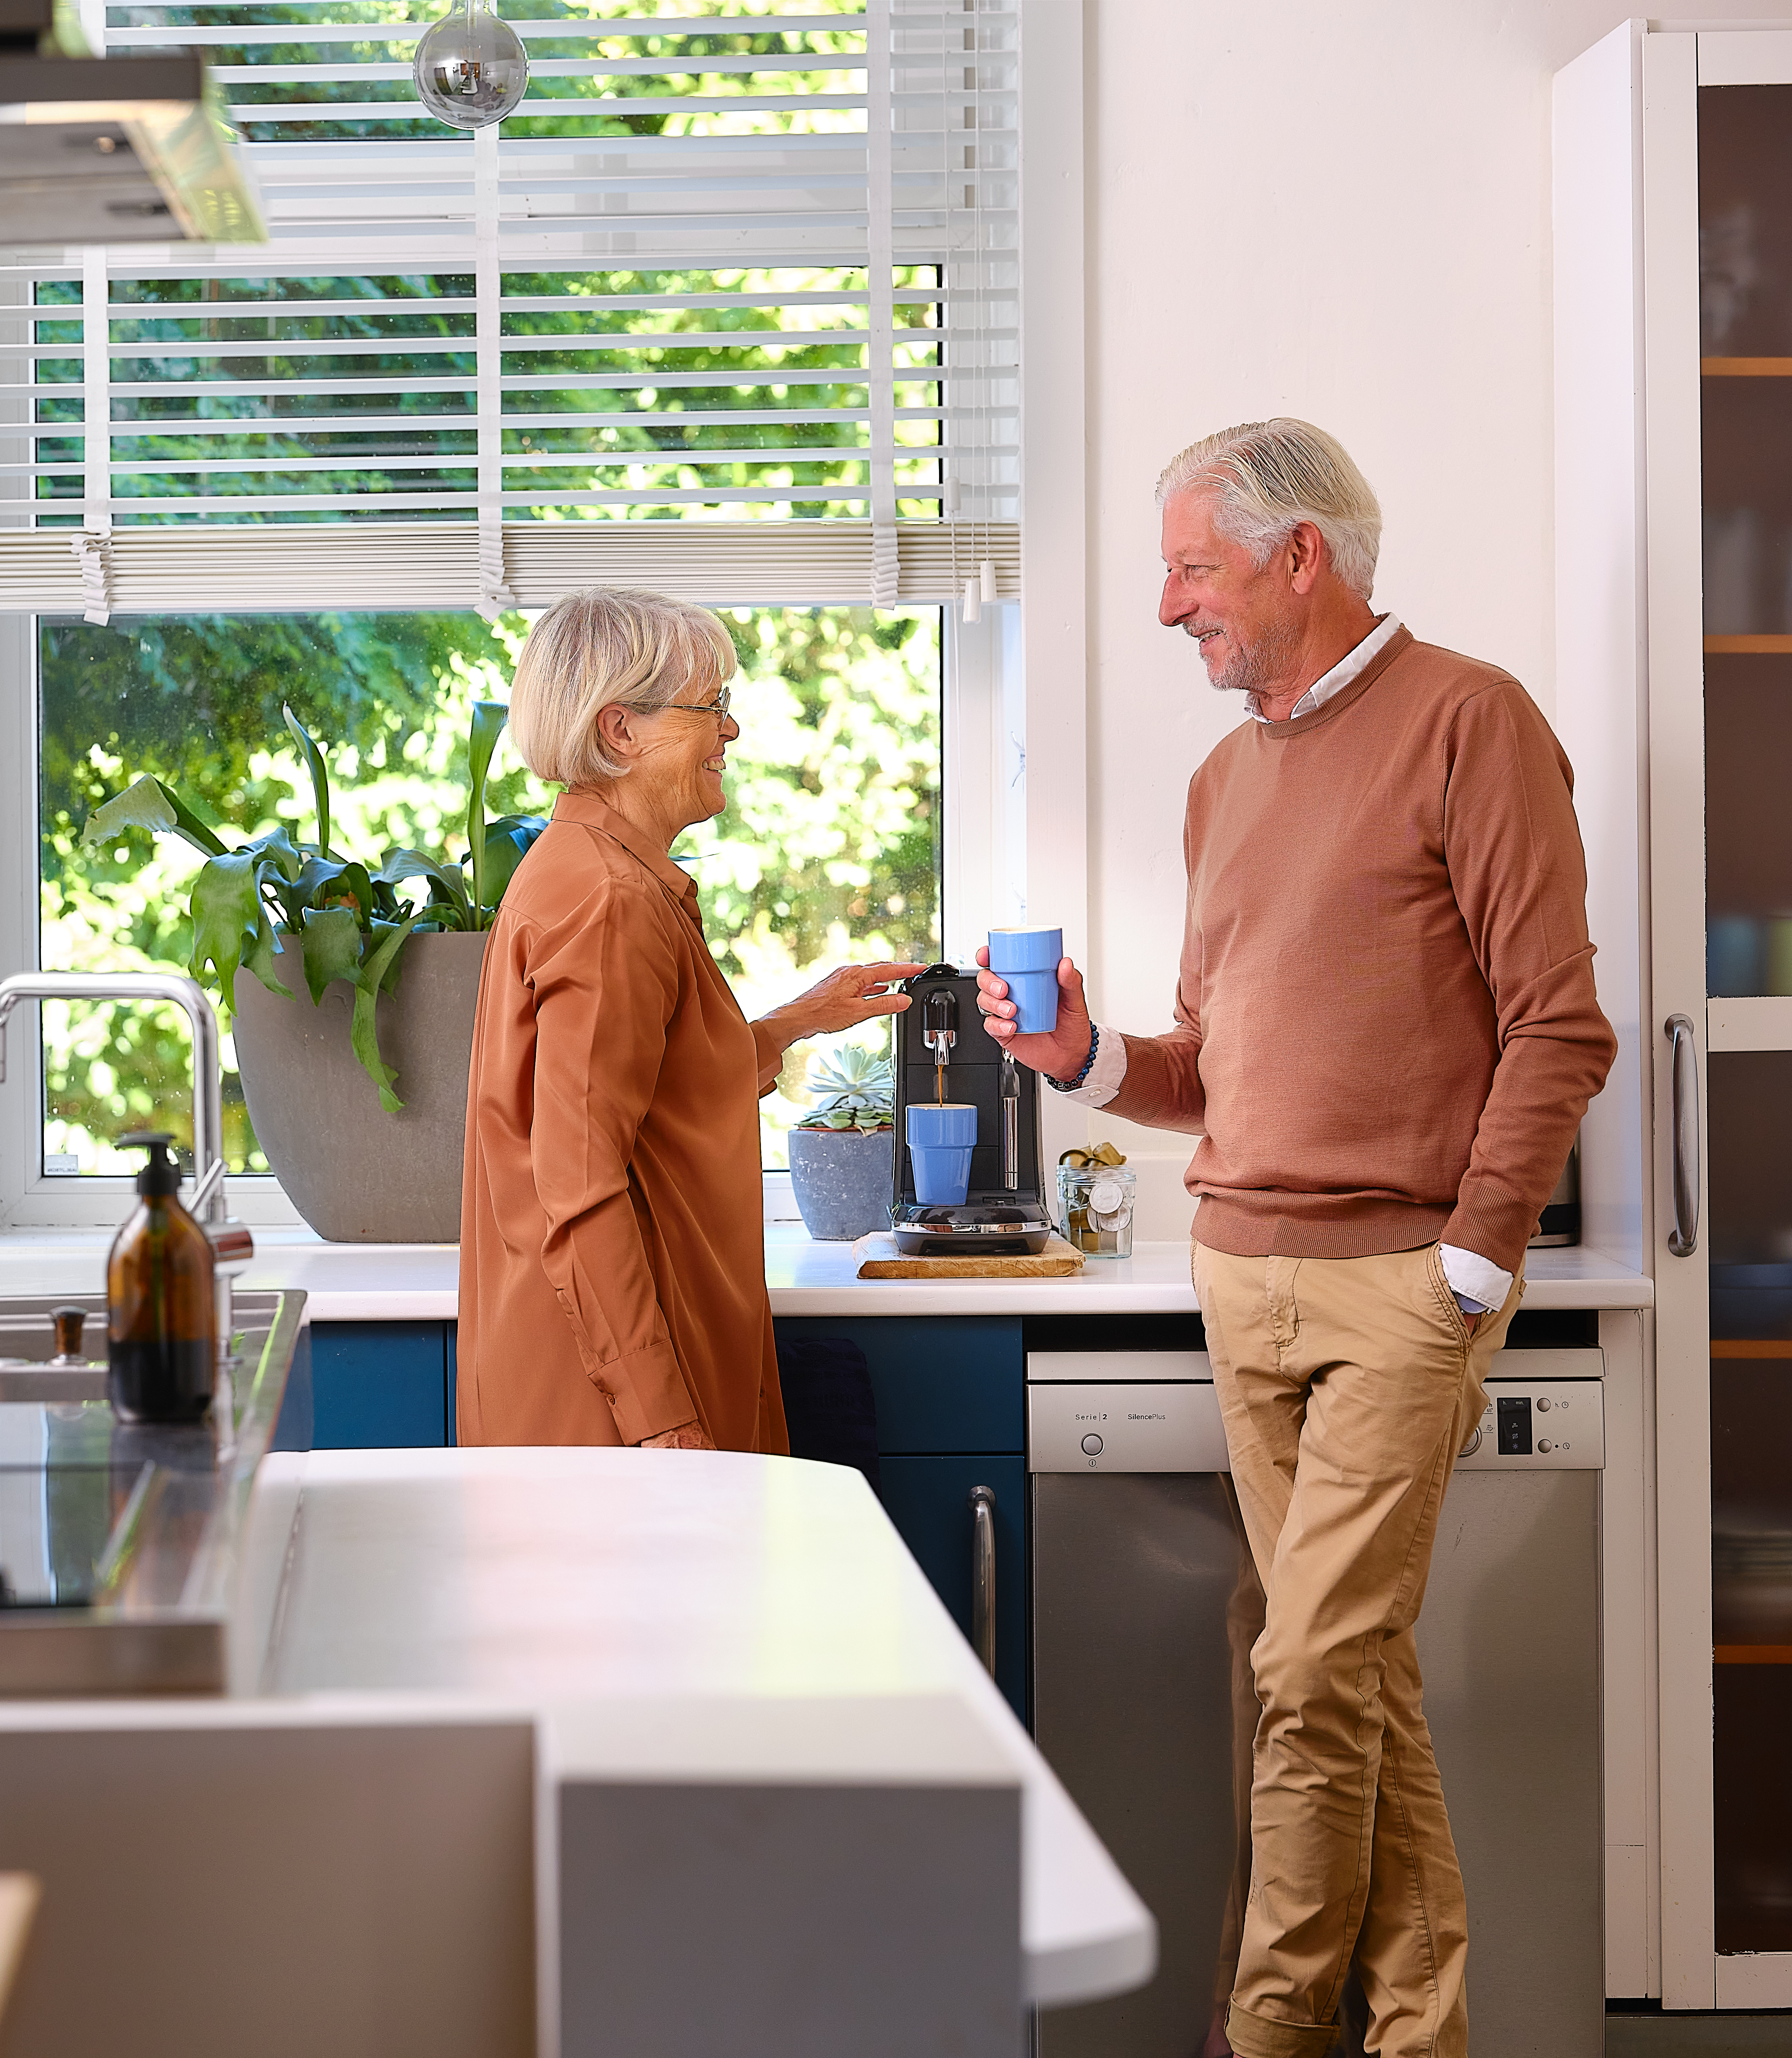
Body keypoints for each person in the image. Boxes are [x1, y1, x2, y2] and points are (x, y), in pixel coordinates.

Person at [978, 419, 1615, 2058]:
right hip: (1239, 1273)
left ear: (1299, 555)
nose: (1170, 606)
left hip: (1402, 1282)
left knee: (1313, 1678)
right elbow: (1211, 1065)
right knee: (1350, 1675)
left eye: (1194, 569)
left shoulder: (1473, 721)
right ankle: (1418, 2036)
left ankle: (1261, 2033)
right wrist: (1083, 1058)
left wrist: (1470, 1260)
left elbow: (1558, 1026)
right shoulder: (1224, 782)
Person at [457, 587, 919, 1451]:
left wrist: (798, 1020)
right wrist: (663, 1424)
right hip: (611, 1415)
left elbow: (655, 1095)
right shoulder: (611, 902)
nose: (730, 730)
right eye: (710, 707)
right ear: (619, 733)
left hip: (586, 1388)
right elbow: (580, 1186)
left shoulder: (587, 870)